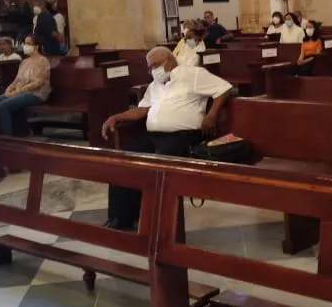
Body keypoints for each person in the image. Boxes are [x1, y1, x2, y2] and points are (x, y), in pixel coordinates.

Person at [100, 47, 233, 230]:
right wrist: (117, 117)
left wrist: (211, 115)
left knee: (160, 161)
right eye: (149, 67)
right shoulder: (154, 86)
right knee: (123, 158)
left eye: (154, 65)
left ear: (169, 61)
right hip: (154, 135)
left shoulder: (193, 74)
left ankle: (159, 224)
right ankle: (120, 219)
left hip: (184, 136)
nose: (151, 71)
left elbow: (223, 88)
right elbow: (142, 109)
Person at [0, 34, 51, 134]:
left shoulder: (42, 61)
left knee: (3, 106)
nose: (25, 46)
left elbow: (38, 82)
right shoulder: (24, 62)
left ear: (36, 46)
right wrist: (8, 89)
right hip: (20, 92)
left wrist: (17, 91)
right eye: (25, 43)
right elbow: (17, 80)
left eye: (28, 43)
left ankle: (7, 138)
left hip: (36, 94)